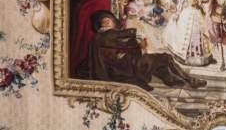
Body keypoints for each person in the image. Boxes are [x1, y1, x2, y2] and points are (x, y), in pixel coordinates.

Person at [76, 10, 206, 91]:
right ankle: (190, 80)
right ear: (102, 25)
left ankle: (169, 79)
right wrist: (139, 35)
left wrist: (139, 46)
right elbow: (127, 34)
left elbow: (124, 47)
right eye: (106, 21)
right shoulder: (106, 34)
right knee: (165, 57)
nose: (109, 23)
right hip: (128, 66)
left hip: (125, 65)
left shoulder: (103, 38)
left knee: (156, 60)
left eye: (110, 21)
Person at [163, 0, 213, 66]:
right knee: (185, 34)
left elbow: (199, 3)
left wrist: (198, 3)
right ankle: (186, 57)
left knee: (199, 34)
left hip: (196, 14)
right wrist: (177, 14)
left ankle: (200, 57)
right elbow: (181, 5)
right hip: (186, 15)